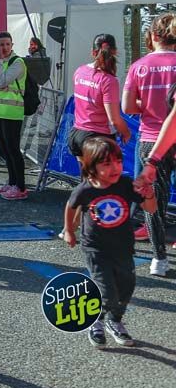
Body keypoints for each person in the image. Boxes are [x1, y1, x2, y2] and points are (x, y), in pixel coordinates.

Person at [63, 137, 155, 347]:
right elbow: (70, 205)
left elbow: (151, 209)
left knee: (127, 287)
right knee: (106, 291)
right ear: (91, 167)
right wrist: (69, 230)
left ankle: (115, 321)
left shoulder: (124, 184)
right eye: (107, 164)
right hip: (95, 248)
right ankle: (95, 321)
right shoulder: (85, 189)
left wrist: (149, 195)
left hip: (123, 247)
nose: (115, 168)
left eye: (118, 161)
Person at [122, 12, 176, 277]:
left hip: (150, 138)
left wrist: (150, 104)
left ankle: (159, 259)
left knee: (153, 200)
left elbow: (127, 106)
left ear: (153, 36)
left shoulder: (139, 66)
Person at [69, 34, 131, 158]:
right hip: (98, 139)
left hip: (76, 134)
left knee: (87, 176)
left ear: (93, 52)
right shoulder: (109, 80)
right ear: (115, 52)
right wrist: (126, 133)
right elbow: (114, 119)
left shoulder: (79, 71)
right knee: (102, 177)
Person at [0, 32, 28, 200]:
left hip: (12, 112)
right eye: (1, 44)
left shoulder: (17, 63)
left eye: (7, 44)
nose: (4, 48)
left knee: (13, 149)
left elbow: (2, 81)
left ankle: (21, 187)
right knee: (4, 149)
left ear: (12, 45)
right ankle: (11, 182)